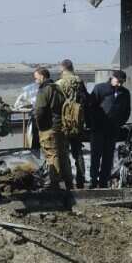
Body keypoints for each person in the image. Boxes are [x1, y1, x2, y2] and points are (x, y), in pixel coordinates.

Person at [87, 70, 131, 188]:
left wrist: (119, 123)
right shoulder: (100, 89)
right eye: (118, 81)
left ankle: (103, 181)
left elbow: (127, 111)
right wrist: (93, 123)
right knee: (96, 156)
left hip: (112, 130)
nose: (120, 84)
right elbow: (90, 108)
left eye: (122, 82)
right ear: (112, 78)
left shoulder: (125, 93)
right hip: (98, 129)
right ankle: (93, 180)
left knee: (108, 157)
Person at [33, 67, 70, 190]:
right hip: (60, 126)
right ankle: (68, 182)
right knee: (63, 154)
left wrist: (40, 126)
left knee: (51, 155)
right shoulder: (58, 88)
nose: (35, 80)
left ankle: (54, 183)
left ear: (42, 76)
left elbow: (39, 110)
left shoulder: (44, 90)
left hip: (48, 127)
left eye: (36, 77)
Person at [56, 59, 89, 190]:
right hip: (77, 122)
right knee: (78, 152)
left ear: (62, 68)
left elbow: (56, 103)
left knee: (63, 153)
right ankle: (81, 181)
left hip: (64, 123)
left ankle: (68, 183)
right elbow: (86, 99)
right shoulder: (79, 81)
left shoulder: (59, 83)